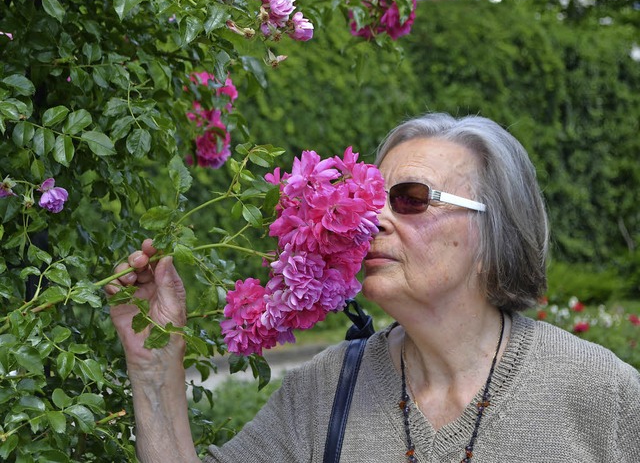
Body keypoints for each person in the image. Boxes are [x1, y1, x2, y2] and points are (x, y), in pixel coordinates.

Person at [106, 112, 640, 462]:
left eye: (409, 198)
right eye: (369, 197)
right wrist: (155, 368)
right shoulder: (324, 390)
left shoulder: (601, 394)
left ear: (491, 234)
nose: (373, 221)